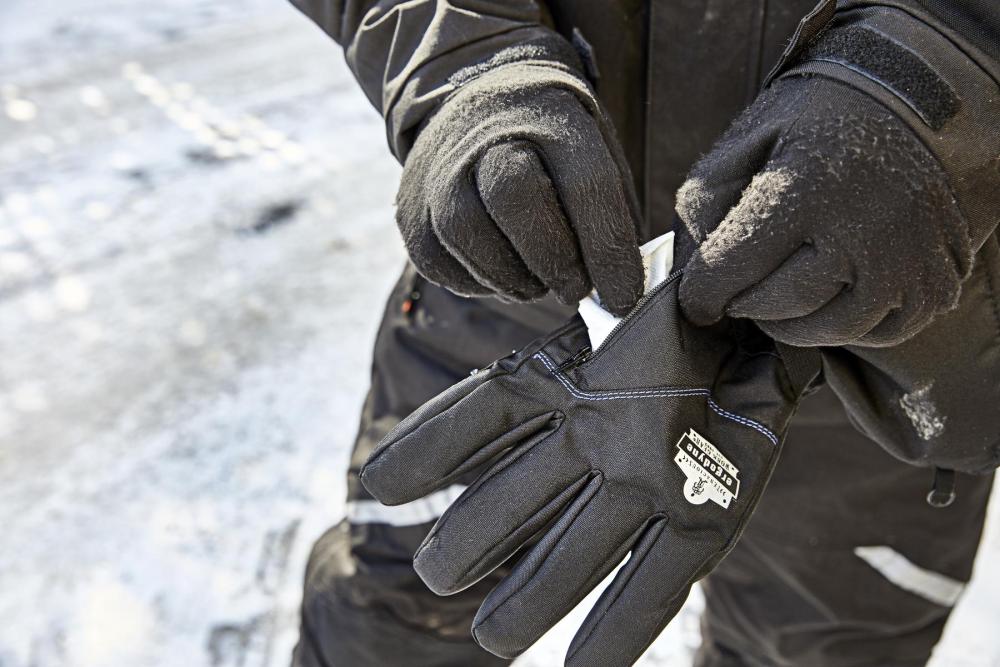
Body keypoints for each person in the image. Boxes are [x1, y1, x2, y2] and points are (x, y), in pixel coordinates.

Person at [287, 1, 1000, 665]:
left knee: (817, 651)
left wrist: (938, 90)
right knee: (392, 621)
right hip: (524, 279)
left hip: (896, 337)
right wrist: (465, 63)